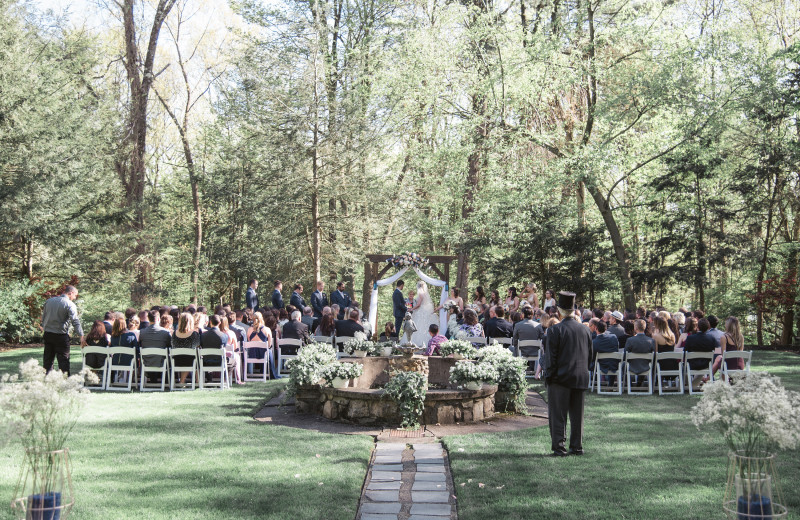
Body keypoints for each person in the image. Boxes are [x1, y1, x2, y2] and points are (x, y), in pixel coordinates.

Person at [544, 291, 592, 457]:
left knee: (558, 416)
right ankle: (576, 447)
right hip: (580, 377)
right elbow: (589, 356)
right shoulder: (585, 330)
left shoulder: (554, 331)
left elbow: (550, 358)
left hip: (560, 378)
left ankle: (559, 447)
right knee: (577, 416)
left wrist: (549, 377)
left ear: (559, 311)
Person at [41, 285, 85, 375]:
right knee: (63, 360)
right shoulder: (70, 304)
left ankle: (48, 379)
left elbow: (43, 317)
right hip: (61, 335)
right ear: (70, 293)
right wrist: (81, 335)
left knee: (48, 360)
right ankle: (65, 380)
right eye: (75, 295)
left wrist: (45, 327)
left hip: (48, 334)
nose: (75, 297)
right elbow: (75, 321)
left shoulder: (49, 301)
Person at [139, 309, 171, 377]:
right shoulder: (165, 332)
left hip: (146, 361)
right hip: (161, 362)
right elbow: (170, 345)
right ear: (159, 319)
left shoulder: (142, 332)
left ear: (148, 319)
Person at [172, 313, 200, 385]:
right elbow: (197, 346)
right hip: (190, 361)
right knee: (196, 357)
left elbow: (172, 345)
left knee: (190, 357)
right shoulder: (194, 334)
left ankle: (183, 381)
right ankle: (198, 381)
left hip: (176, 360)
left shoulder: (174, 334)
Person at [592, 320, 620, 385]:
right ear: (606, 329)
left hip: (601, 365)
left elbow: (593, 357)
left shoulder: (595, 342)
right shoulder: (613, 337)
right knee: (612, 361)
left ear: (596, 328)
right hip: (614, 364)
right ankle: (610, 385)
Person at [410, 281, 437, 346]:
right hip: (426, 311)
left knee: (419, 326)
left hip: (421, 311)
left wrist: (412, 309)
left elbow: (418, 304)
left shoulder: (420, 293)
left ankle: (418, 343)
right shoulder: (425, 293)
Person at [219, 316, 243, 384]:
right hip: (229, 354)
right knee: (237, 357)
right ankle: (238, 379)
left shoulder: (217, 333)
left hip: (219, 353)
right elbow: (235, 347)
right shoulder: (231, 333)